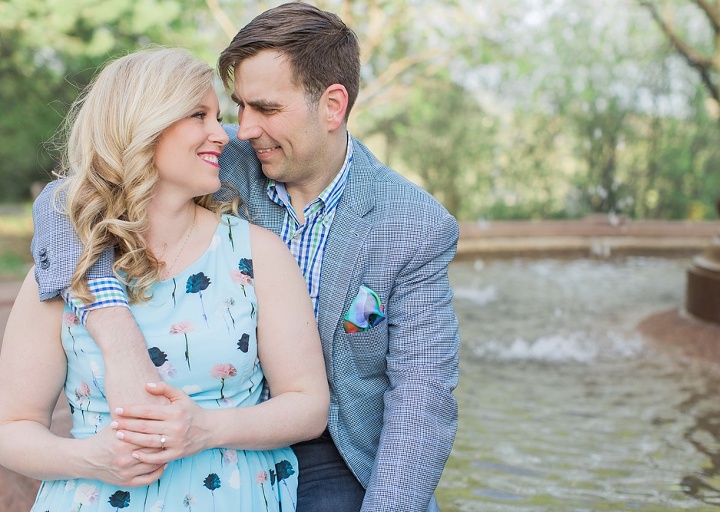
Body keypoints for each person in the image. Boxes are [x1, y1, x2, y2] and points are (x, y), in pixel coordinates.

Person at [29, 2, 460, 511]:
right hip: (217, 415)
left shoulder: (412, 225)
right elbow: (64, 202)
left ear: (333, 105)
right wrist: (116, 331)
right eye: (240, 106)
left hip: (335, 450)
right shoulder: (221, 158)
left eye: (266, 108)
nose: (245, 127)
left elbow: (422, 394)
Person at [0, 46, 329, 511]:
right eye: (199, 114)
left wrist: (206, 429)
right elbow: (11, 428)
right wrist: (89, 459)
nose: (222, 134)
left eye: (218, 115)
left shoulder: (257, 254)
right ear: (142, 125)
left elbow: (308, 404)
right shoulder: (66, 265)